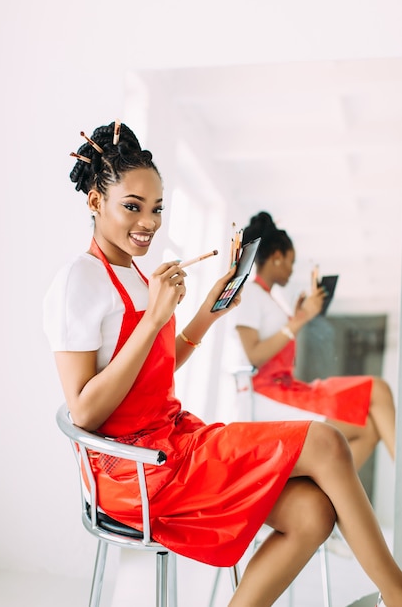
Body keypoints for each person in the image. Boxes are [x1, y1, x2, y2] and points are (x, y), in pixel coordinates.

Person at [43, 121, 402, 607]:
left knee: (313, 513)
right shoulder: (78, 282)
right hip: (136, 471)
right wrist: (153, 320)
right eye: (133, 207)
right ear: (94, 203)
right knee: (327, 441)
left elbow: (153, 375)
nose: (148, 222)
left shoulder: (134, 273)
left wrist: (206, 315)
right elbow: (85, 412)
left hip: (173, 441)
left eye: (156, 208)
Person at [234, 211, 396, 471]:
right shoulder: (250, 293)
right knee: (376, 392)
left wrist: (298, 317)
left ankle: (334, 499)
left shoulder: (271, 299)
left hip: (288, 389)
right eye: (291, 261)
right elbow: (254, 355)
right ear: (276, 257)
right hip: (270, 395)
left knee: (370, 426)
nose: (292, 269)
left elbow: (278, 346)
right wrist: (300, 318)